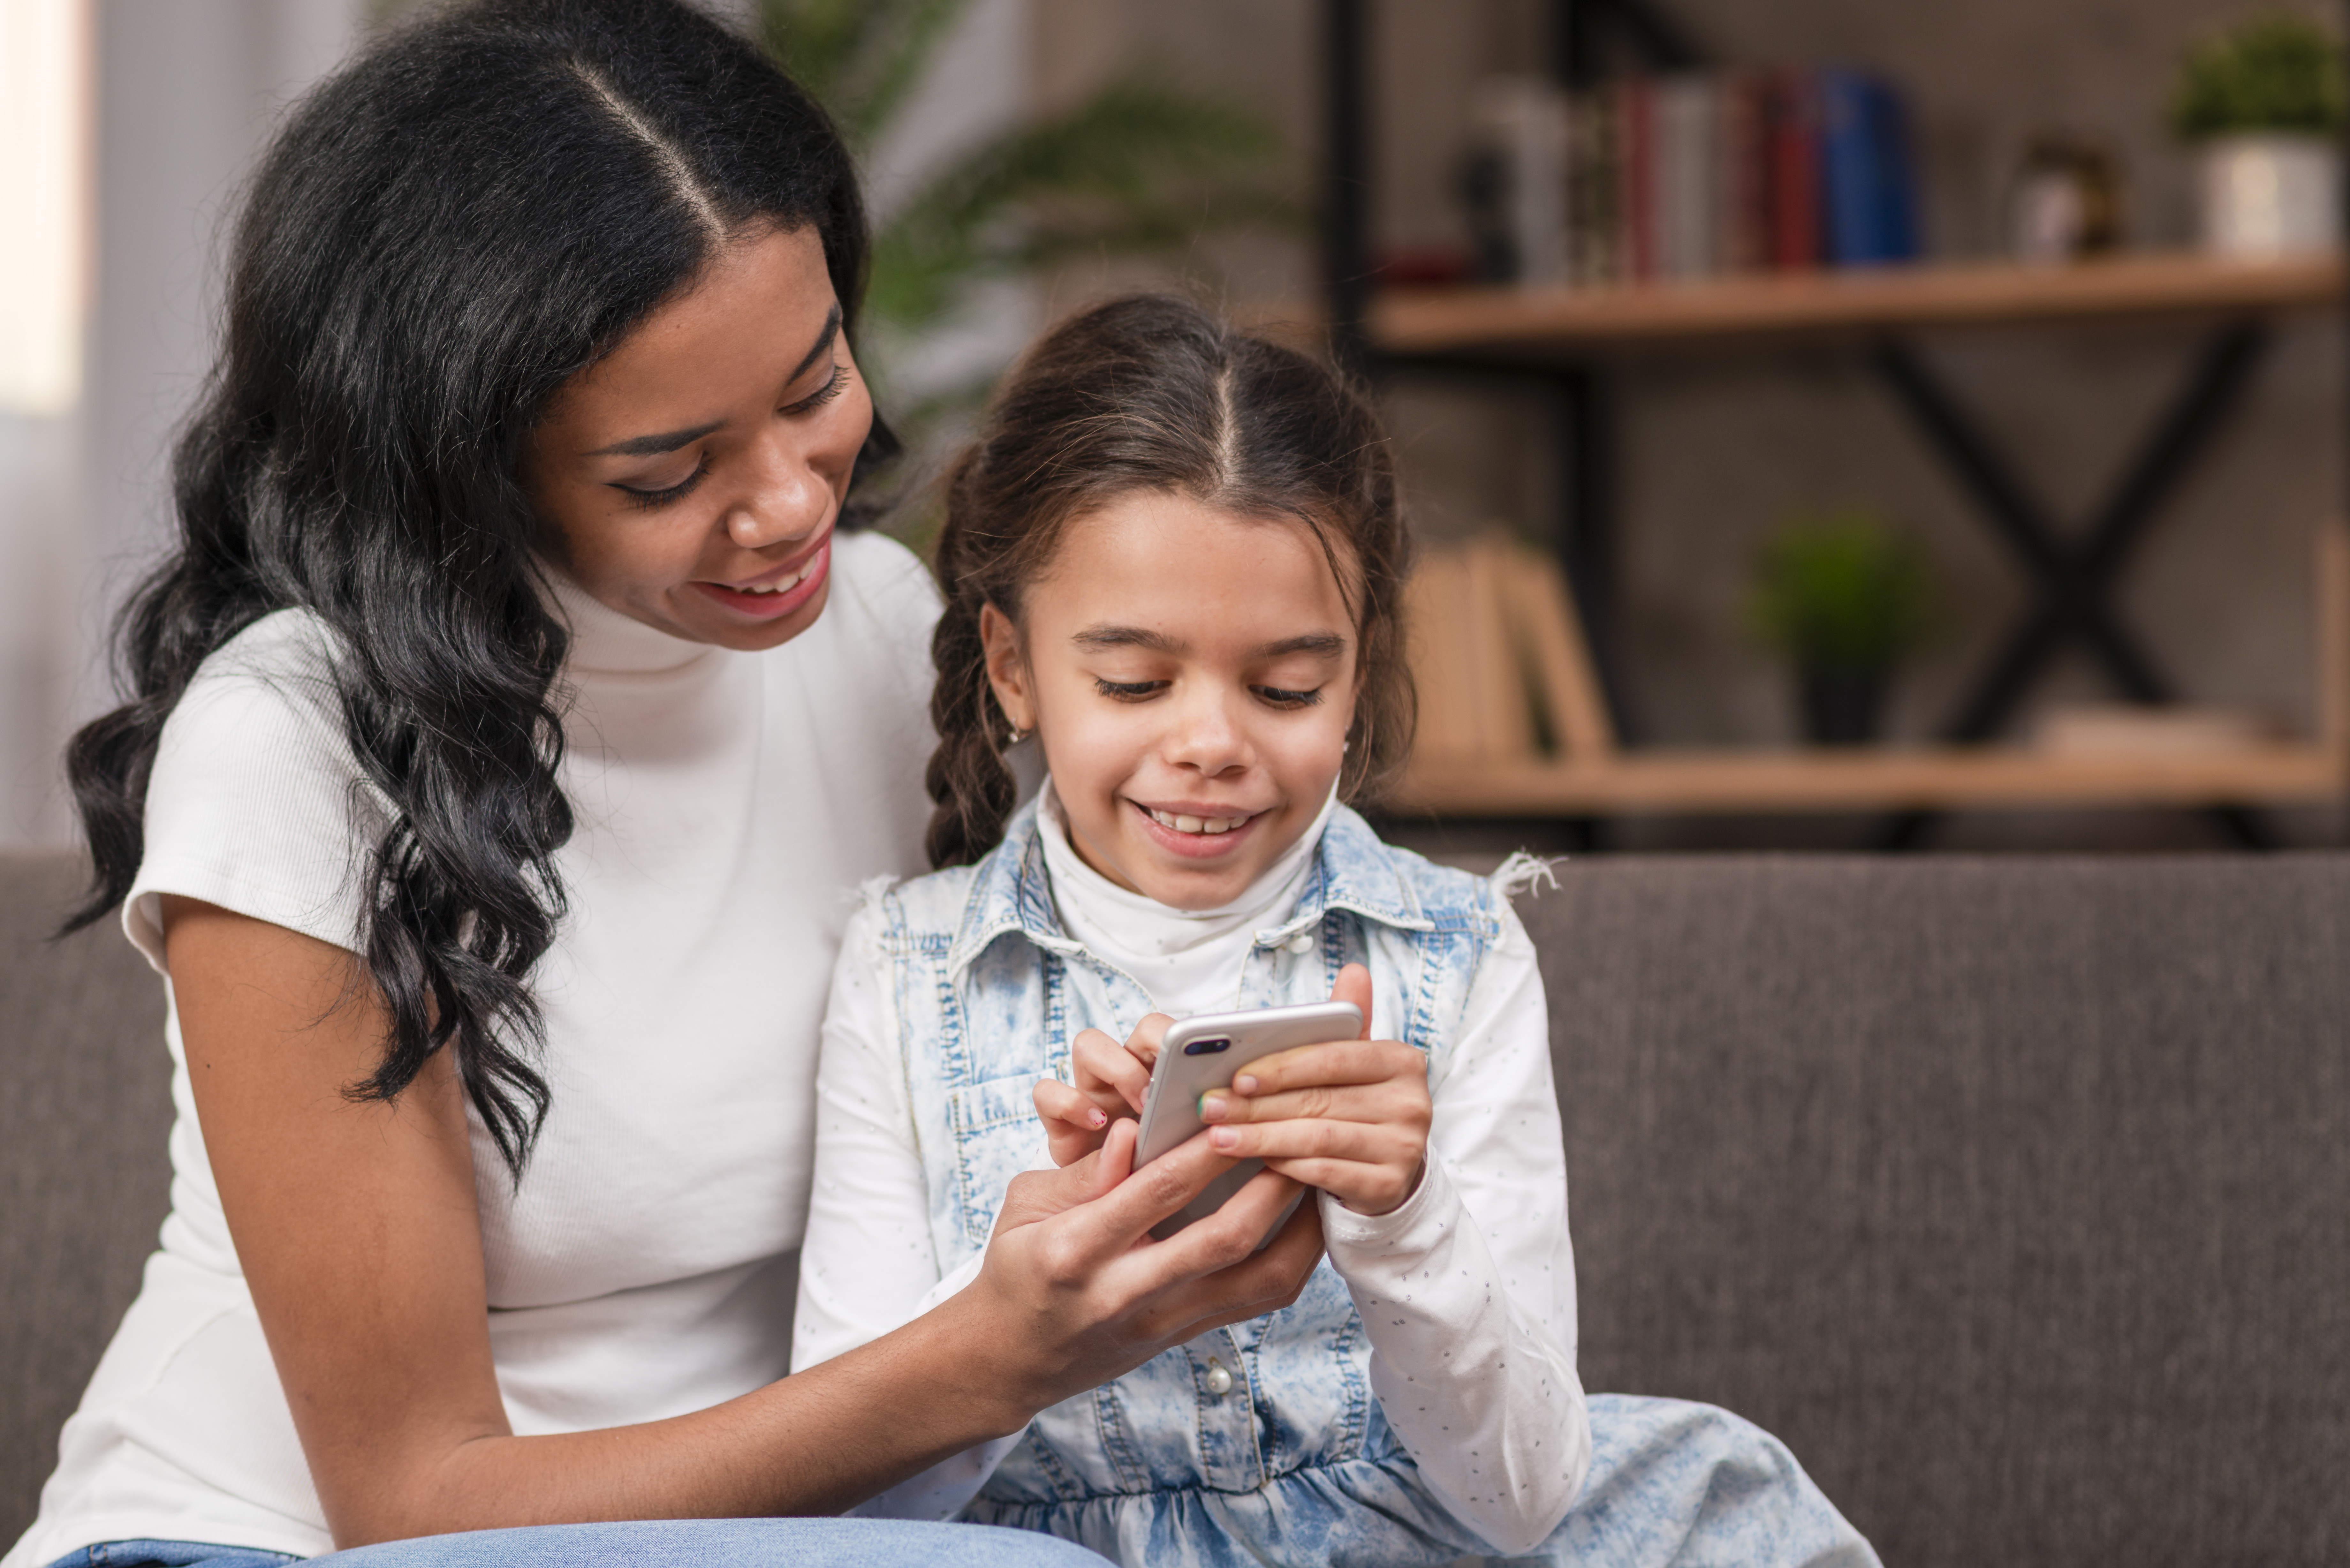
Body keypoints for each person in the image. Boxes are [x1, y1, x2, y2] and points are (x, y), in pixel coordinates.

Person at [4, 7, 1327, 1568]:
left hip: (817, 1528)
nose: (788, 507)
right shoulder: (299, 739)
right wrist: (977, 1363)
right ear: (465, 464)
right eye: (665, 470)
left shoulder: (888, 636)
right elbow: (410, 1501)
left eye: (815, 381)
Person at [791, 294, 1884, 1568]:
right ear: (1015, 667)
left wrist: (1404, 1216)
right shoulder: (906, 973)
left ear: (1354, 680)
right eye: (1135, 682)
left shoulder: (1453, 951)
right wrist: (1023, 1288)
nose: (1209, 743)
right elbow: (843, 1517)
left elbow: (1524, 1493)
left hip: (1402, 1543)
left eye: (1287, 686)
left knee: (1719, 1510)